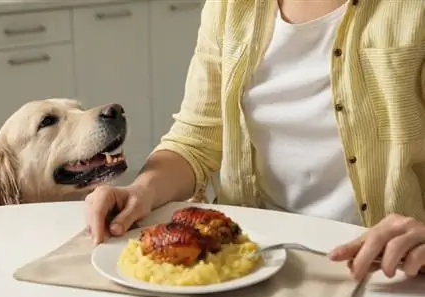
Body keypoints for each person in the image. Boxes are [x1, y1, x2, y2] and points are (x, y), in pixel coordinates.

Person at [85, 0, 425, 281]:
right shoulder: (229, 7)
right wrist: (141, 191)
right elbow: (195, 137)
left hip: (383, 269)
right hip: (248, 265)